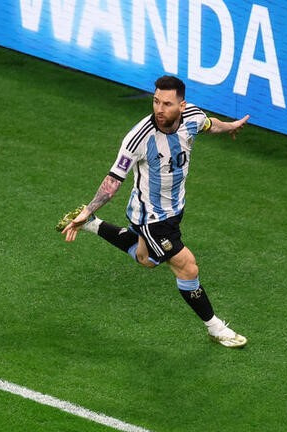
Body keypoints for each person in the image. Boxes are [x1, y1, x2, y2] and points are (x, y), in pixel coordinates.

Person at [57, 75, 248, 348]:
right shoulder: (139, 138)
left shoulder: (192, 117)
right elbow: (113, 180)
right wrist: (88, 208)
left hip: (175, 209)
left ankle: (96, 226)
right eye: (156, 101)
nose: (159, 109)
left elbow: (208, 125)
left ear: (182, 105)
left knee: (147, 260)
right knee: (187, 267)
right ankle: (216, 327)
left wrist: (230, 126)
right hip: (151, 217)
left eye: (167, 103)